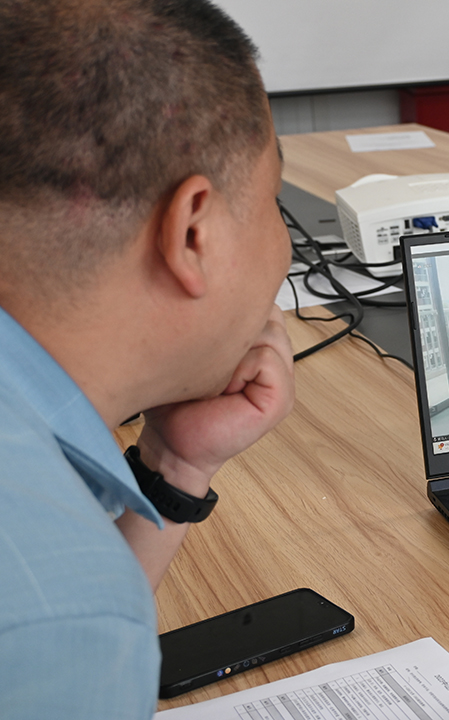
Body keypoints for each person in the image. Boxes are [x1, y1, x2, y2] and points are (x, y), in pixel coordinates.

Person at [0, 1, 294, 717]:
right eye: (274, 201)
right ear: (193, 232)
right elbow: (63, 625)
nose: (285, 250)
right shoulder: (57, 620)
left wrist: (177, 468)